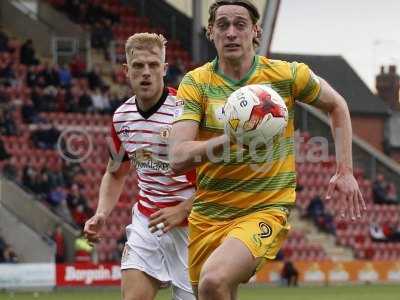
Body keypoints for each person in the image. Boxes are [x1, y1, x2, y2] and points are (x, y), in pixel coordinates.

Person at [168, 1, 366, 299]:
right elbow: (177, 157)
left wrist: (345, 170)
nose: (231, 33)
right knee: (214, 291)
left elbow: (337, 104)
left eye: (240, 24)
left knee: (213, 281)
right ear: (210, 32)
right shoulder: (195, 84)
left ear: (256, 31)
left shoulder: (286, 75)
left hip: (264, 207)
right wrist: (231, 139)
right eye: (222, 25)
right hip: (208, 213)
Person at [83, 33, 195, 300]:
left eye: (153, 65)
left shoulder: (187, 112)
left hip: (193, 227)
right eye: (138, 65)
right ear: (126, 70)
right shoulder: (121, 117)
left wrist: (181, 210)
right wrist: (101, 213)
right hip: (148, 224)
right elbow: (115, 172)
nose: (146, 73)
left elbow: (218, 179)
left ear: (164, 69)